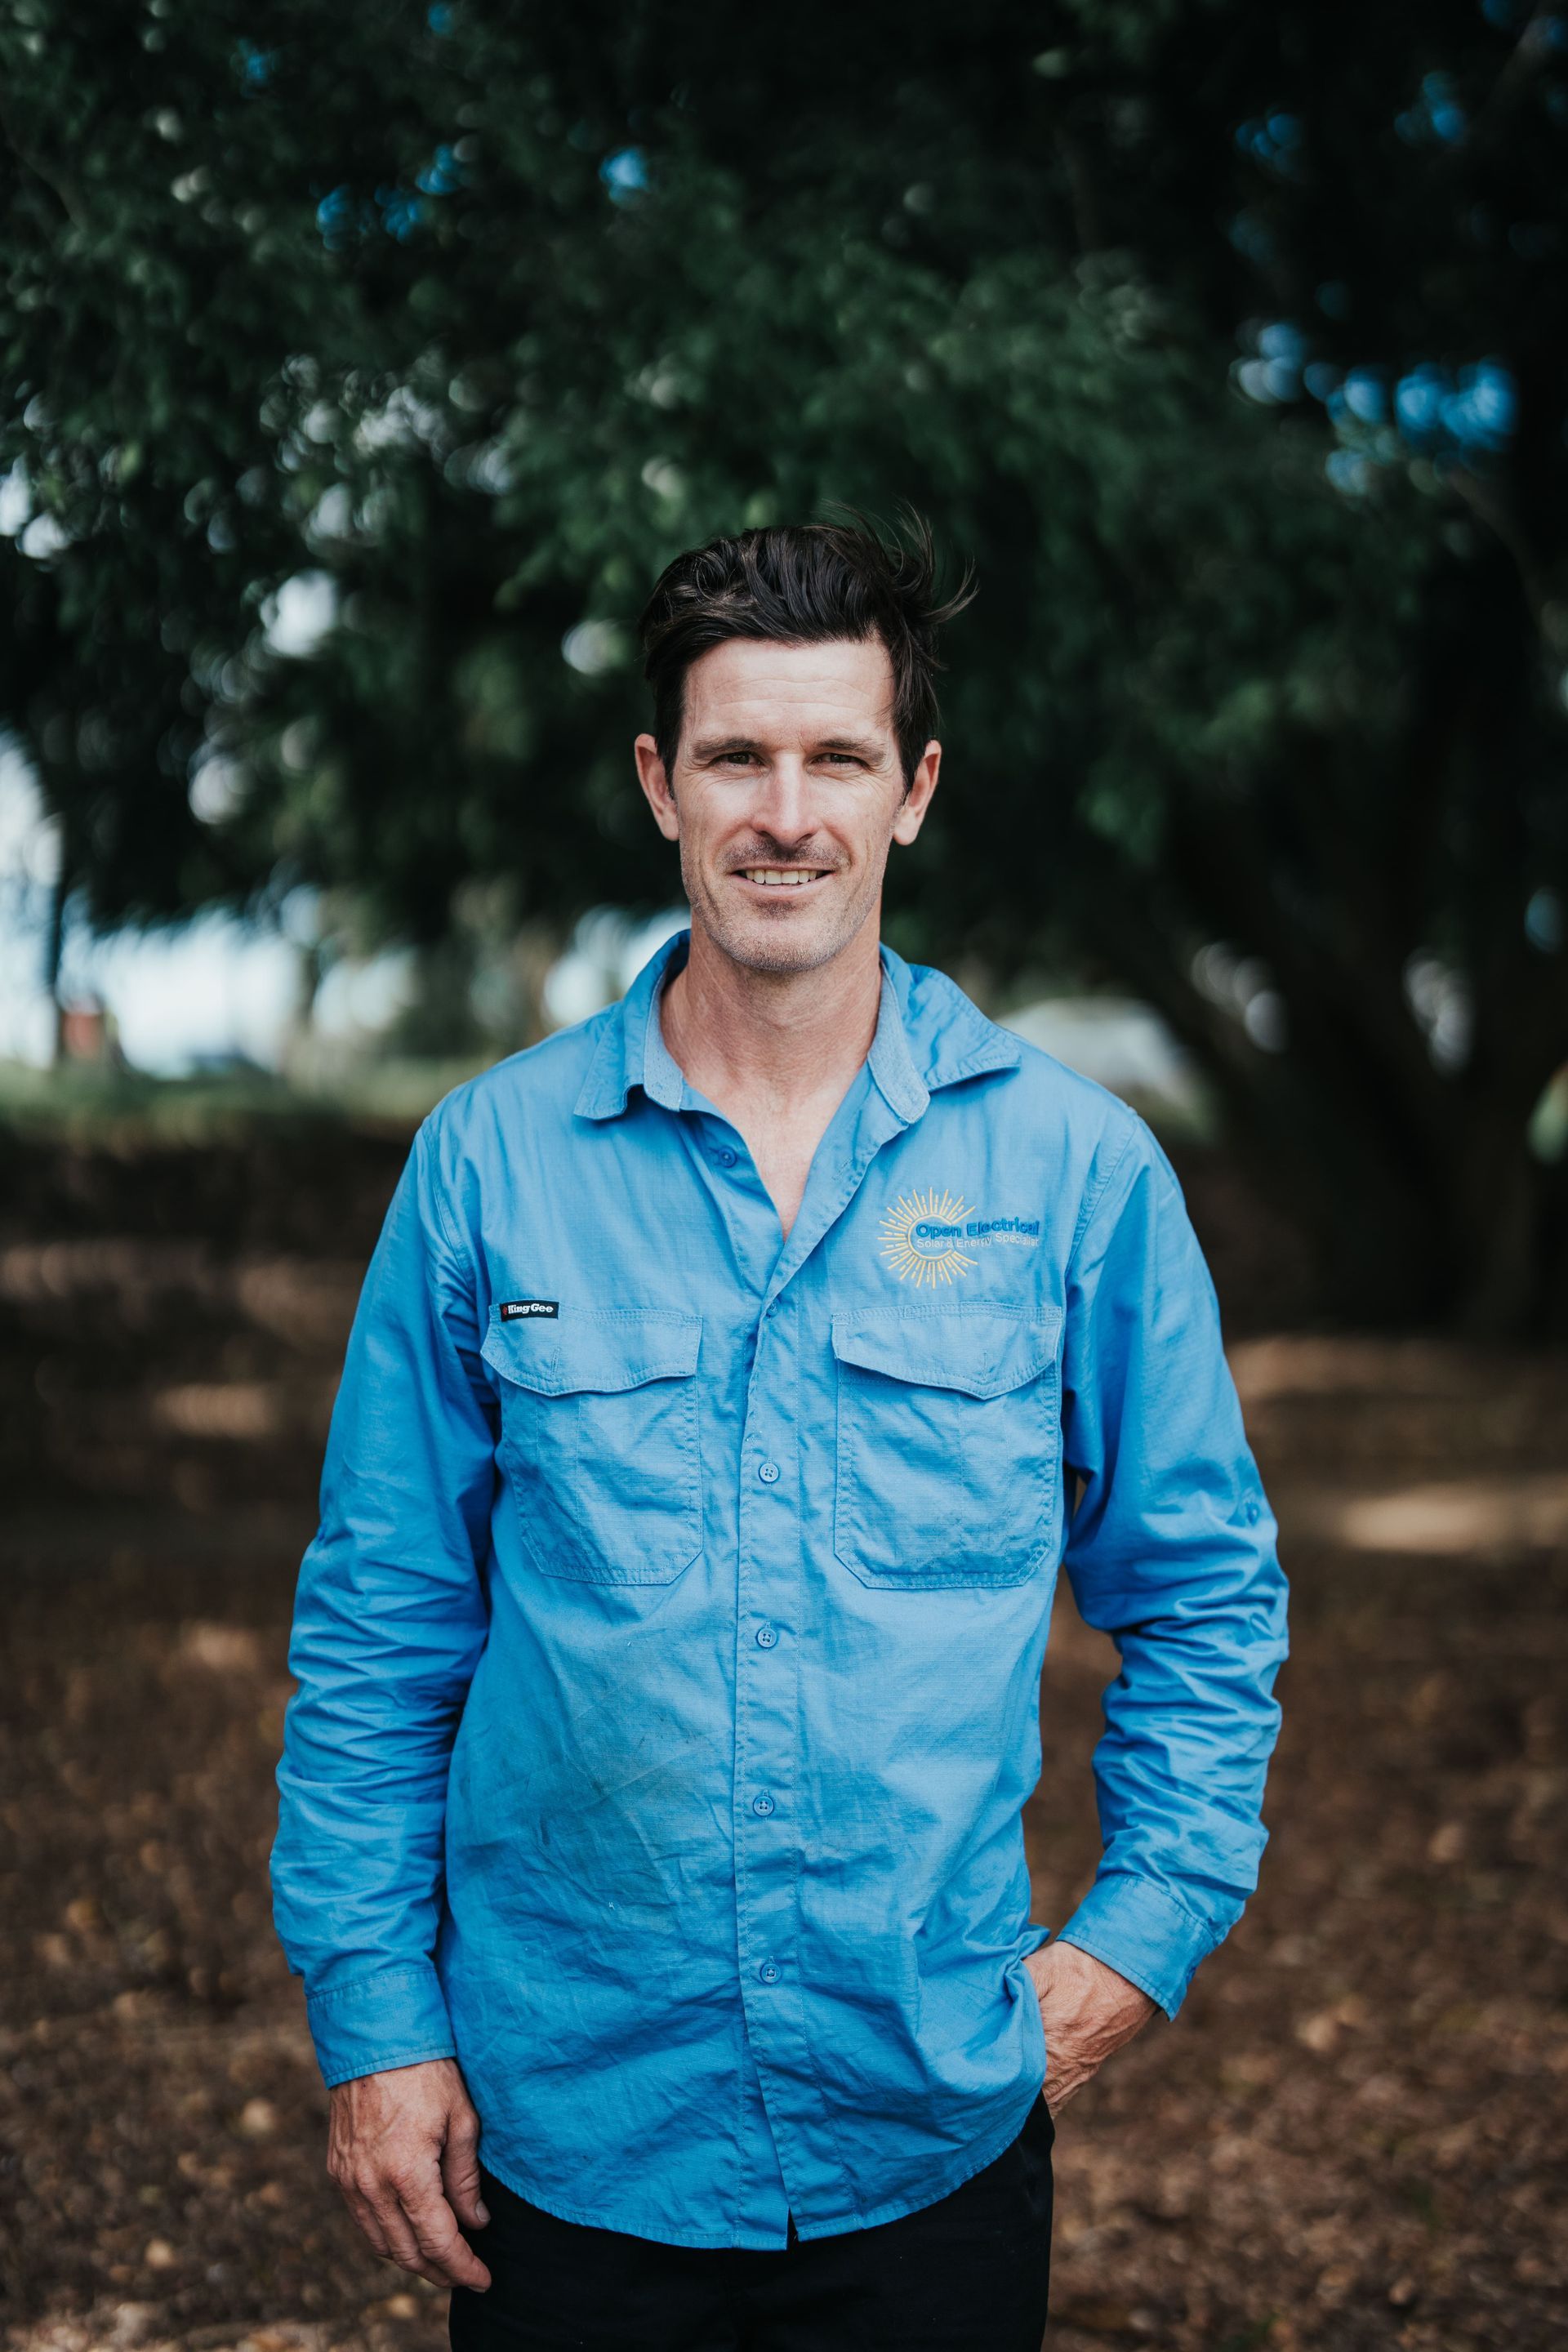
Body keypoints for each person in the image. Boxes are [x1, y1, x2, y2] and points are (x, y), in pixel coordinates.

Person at [271, 519, 1288, 2351]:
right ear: (661, 783)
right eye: (737, 756)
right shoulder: (489, 1166)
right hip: (564, 2145)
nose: (787, 814)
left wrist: (1134, 1945)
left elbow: (1204, 1596)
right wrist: (378, 2023)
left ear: (916, 791)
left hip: (933, 2142)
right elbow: (381, 1627)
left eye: (840, 757)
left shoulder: (1077, 1171)